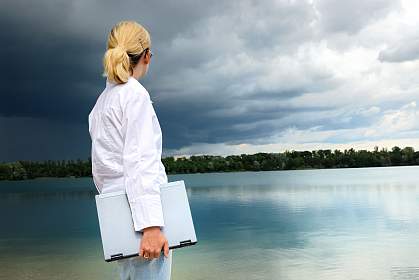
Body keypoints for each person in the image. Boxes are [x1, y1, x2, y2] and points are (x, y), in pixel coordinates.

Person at [88, 20, 172, 279]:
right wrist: (151, 226)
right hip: (143, 223)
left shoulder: (101, 104)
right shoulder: (134, 95)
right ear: (146, 56)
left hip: (119, 220)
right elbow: (140, 161)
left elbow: (101, 172)